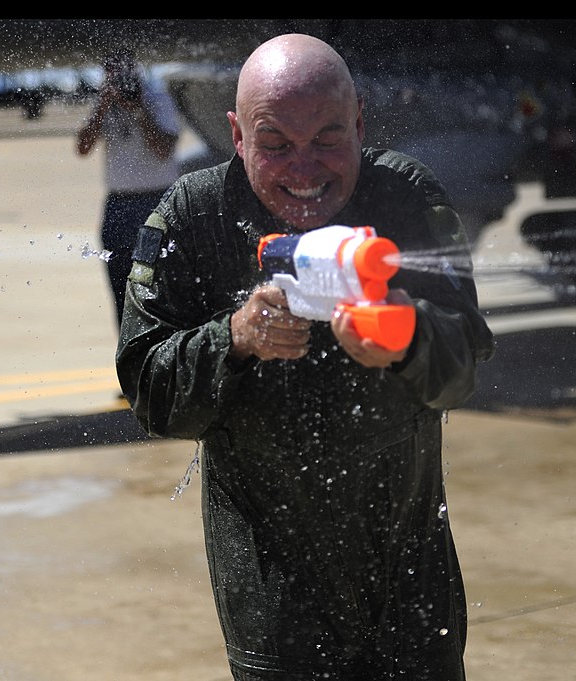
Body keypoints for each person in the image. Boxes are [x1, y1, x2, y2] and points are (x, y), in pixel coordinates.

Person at [115, 34, 495, 680]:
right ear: (236, 135)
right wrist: (233, 338)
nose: (305, 170)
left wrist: (407, 337)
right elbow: (149, 389)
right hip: (276, 624)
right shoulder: (194, 215)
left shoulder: (403, 197)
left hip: (412, 610)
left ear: (360, 124)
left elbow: (465, 361)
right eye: (275, 144)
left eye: (327, 138)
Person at [76, 48, 181, 328]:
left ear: (134, 69)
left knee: (159, 287)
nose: (117, 76)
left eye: (122, 69)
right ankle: (129, 353)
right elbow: (82, 148)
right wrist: (102, 106)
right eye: (110, 70)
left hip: (155, 203)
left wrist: (139, 110)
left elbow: (164, 150)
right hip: (119, 204)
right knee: (121, 289)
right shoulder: (104, 104)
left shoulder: (157, 99)